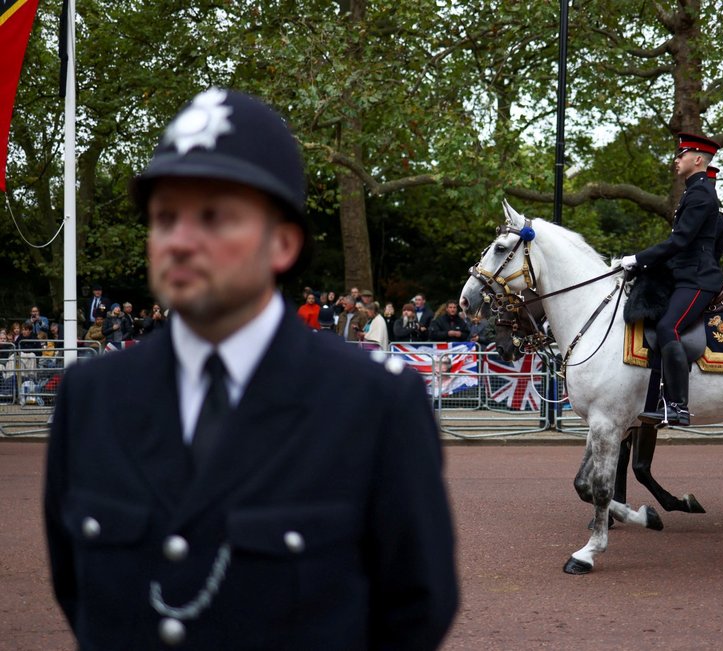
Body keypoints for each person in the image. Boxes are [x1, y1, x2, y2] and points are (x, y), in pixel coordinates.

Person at [45, 88, 457, 651]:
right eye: (165, 218)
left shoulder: (374, 404)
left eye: (214, 216)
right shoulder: (91, 396)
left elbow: (416, 606)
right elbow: (78, 590)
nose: (180, 241)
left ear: (283, 243)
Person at [621, 133, 723, 427]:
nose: (676, 160)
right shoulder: (693, 191)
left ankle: (677, 406)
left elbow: (680, 241)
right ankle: (653, 396)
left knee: (669, 327)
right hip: (684, 274)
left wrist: (638, 258)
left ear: (698, 160)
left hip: (698, 278)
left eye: (682, 155)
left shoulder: (702, 193)